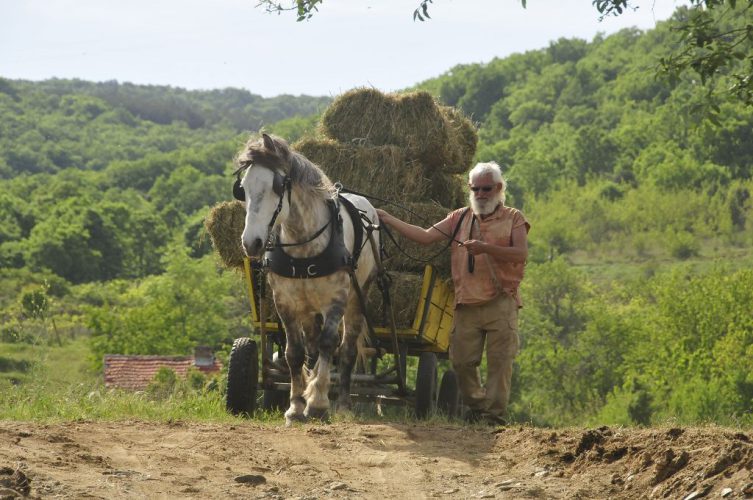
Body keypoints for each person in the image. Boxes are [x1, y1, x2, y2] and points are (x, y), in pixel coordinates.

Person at [376, 161, 529, 426]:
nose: (481, 194)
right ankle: (478, 407)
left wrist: (486, 248)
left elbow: (521, 254)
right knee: (461, 363)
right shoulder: (459, 218)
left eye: (487, 189)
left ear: (499, 188)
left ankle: (493, 418)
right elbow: (425, 236)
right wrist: (389, 219)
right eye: (476, 189)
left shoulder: (513, 218)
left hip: (501, 302)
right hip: (466, 304)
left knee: (500, 364)